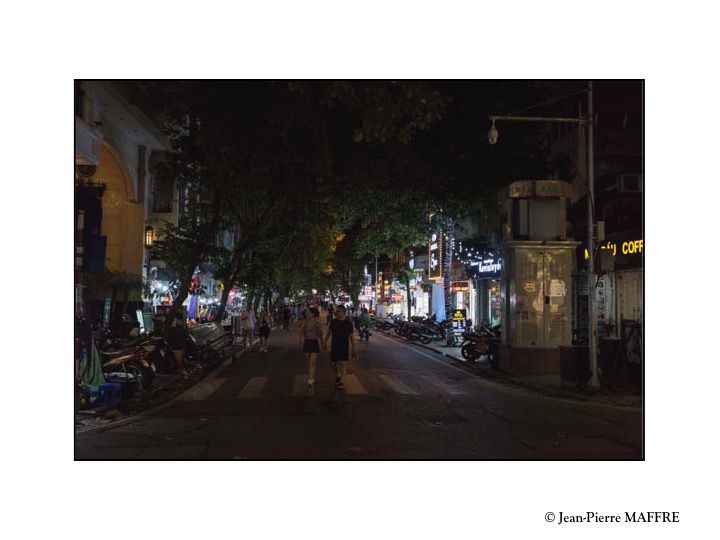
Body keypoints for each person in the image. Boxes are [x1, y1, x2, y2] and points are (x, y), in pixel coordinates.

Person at [323, 305, 357, 389]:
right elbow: (329, 332)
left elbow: (352, 337)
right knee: (333, 363)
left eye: (338, 311)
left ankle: (342, 381)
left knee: (343, 363)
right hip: (334, 345)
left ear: (343, 312)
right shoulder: (334, 322)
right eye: (336, 311)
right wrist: (324, 342)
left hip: (344, 346)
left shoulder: (348, 323)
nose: (336, 313)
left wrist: (354, 348)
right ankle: (338, 375)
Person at [300, 307, 324, 387]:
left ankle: (311, 378)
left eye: (309, 313)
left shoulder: (317, 322)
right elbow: (301, 333)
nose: (307, 314)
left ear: (313, 314)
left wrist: (322, 342)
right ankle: (311, 375)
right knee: (308, 361)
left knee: (312, 361)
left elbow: (320, 334)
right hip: (307, 342)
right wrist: (300, 342)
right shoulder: (305, 322)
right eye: (307, 313)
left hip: (314, 342)